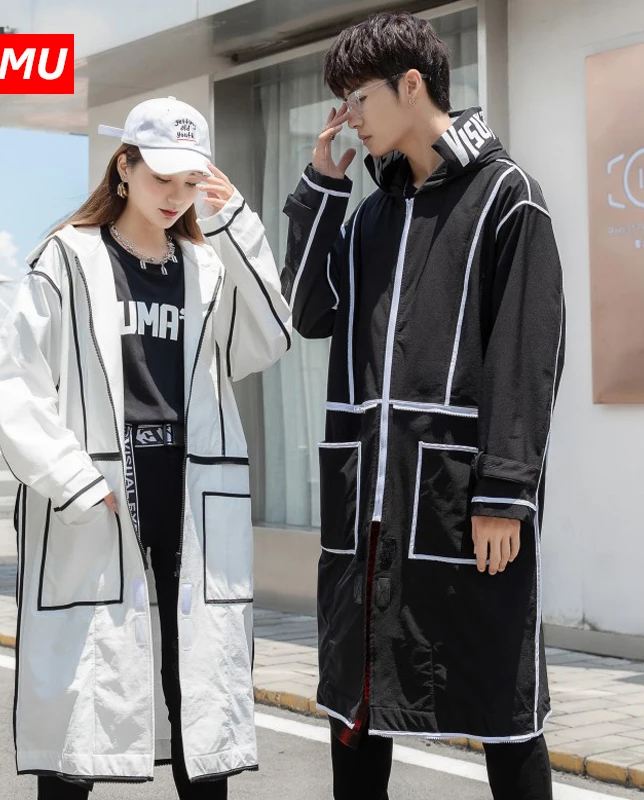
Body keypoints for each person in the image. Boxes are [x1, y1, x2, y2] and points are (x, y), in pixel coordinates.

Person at [280, 12, 565, 800]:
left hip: (458, 501)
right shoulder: (370, 214)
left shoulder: (507, 195)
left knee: (504, 705)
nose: (349, 118)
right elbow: (308, 312)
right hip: (367, 510)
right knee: (356, 703)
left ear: (412, 84)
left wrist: (505, 491)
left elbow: (526, 353)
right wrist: (321, 188)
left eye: (359, 98)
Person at [0, 96, 291, 799]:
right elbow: (13, 380)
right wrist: (72, 479)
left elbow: (268, 337)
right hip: (99, 497)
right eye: (161, 179)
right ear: (124, 167)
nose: (175, 197)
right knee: (80, 697)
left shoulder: (207, 266)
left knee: (199, 697)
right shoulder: (69, 257)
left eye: (190, 182)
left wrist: (236, 224)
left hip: (190, 496)